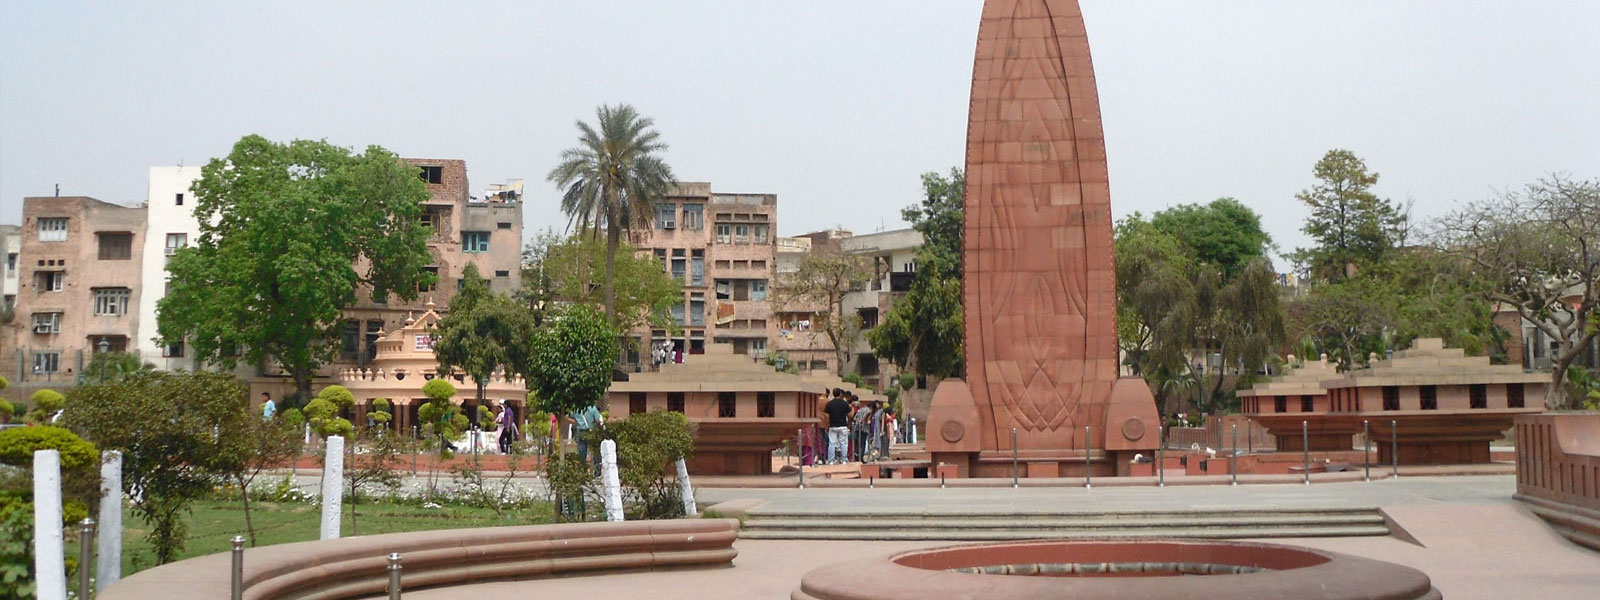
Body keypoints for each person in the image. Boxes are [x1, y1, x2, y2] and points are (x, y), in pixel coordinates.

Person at [823, 389, 851, 465]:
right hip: (843, 425)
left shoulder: (830, 403)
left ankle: (831, 460)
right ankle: (844, 459)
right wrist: (849, 424)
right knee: (843, 443)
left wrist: (827, 425)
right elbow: (849, 414)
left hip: (832, 426)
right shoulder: (844, 403)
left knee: (832, 443)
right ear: (840, 394)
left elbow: (826, 415)